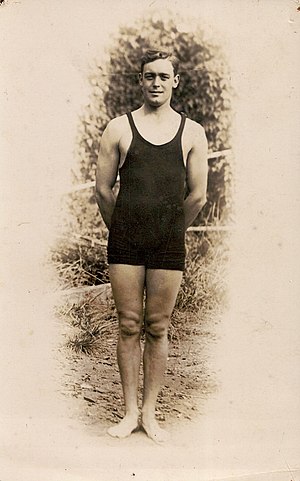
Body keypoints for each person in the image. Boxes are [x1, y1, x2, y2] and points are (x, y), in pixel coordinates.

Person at [95, 49, 208, 443]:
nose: (156, 83)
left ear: (175, 81)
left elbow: (197, 196)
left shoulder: (192, 131)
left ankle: (150, 413)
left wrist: (169, 229)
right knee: (128, 325)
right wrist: (123, 227)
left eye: (163, 76)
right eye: (149, 76)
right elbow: (103, 190)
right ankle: (128, 412)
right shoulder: (118, 129)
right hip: (125, 240)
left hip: (167, 243)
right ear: (140, 81)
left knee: (157, 327)